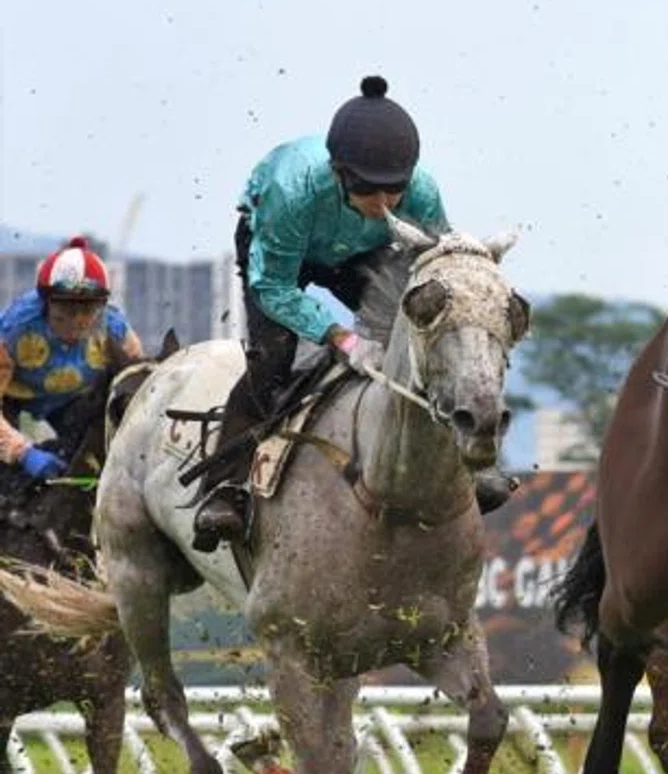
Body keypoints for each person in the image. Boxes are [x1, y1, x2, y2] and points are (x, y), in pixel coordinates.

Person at [192, 76, 511, 549]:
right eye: (368, 192)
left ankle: (471, 463)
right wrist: (339, 336)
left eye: (394, 193)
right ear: (340, 174)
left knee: (420, 344)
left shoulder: (421, 192)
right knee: (272, 359)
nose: (383, 205)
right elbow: (273, 287)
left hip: (364, 253)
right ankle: (224, 486)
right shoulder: (292, 191)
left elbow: (434, 270)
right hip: (282, 256)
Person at [0, 236, 143, 484]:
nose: (77, 320)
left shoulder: (116, 331)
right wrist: (23, 452)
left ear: (102, 305)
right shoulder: (13, 330)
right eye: (66, 308)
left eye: (88, 308)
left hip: (75, 400)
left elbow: (140, 390)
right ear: (46, 303)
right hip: (11, 397)